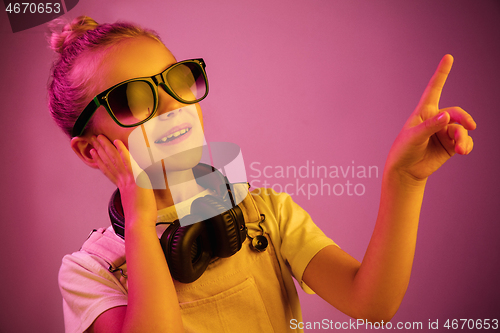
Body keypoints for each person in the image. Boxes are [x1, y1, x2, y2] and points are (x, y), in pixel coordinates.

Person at [49, 16, 476, 333]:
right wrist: (140, 224)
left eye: (175, 80)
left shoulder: (263, 213)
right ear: (90, 149)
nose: (169, 106)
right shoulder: (91, 272)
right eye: (130, 99)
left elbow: (373, 303)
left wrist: (406, 180)